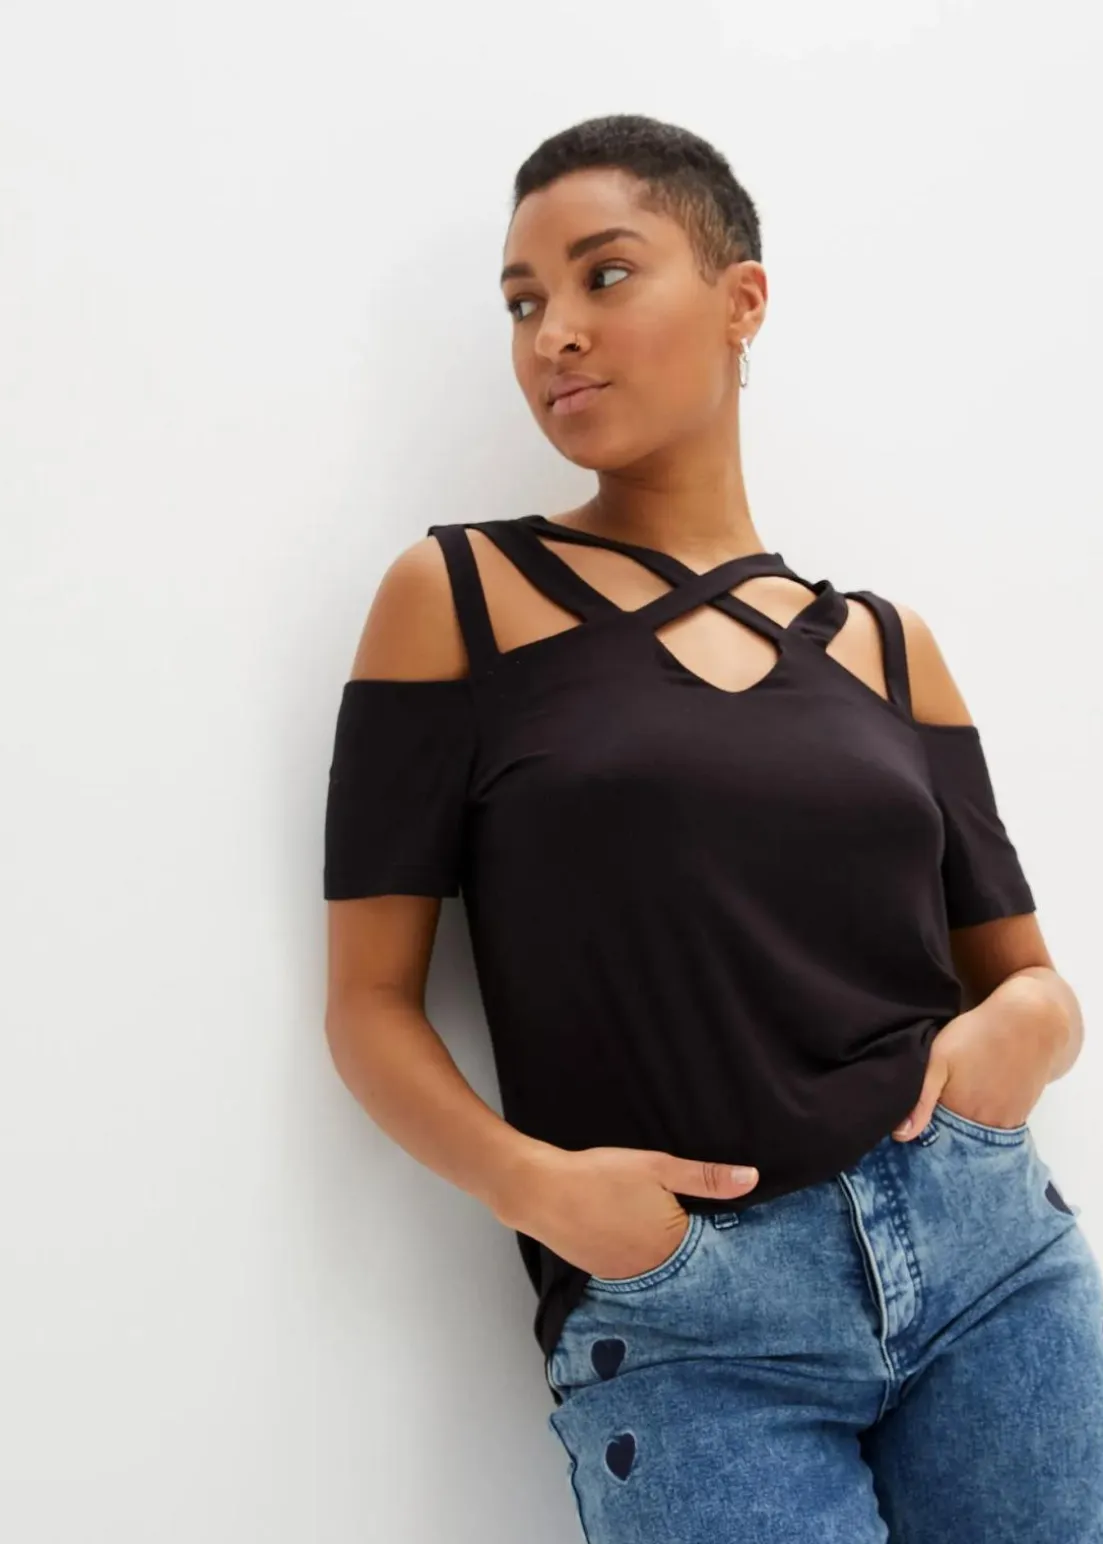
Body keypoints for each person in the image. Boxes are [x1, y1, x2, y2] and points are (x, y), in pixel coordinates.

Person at [322, 113, 1103, 1541]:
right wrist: (546, 1193)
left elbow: (1030, 979)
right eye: (522, 302)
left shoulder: (887, 647)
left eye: (604, 273)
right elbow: (368, 1007)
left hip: (990, 1265)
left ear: (743, 299)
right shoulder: (458, 601)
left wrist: (1028, 1034)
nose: (554, 332)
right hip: (693, 1323)